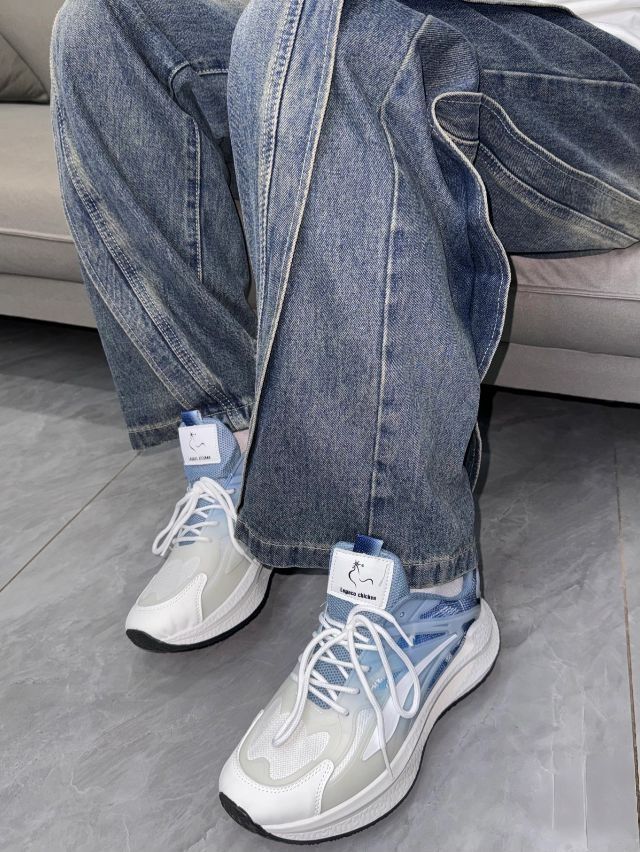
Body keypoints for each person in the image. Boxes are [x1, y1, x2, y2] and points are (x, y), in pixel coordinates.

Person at [50, 0, 640, 841]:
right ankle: (233, 448)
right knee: (104, 25)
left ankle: (416, 588)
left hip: (602, 89)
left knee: (335, 30)